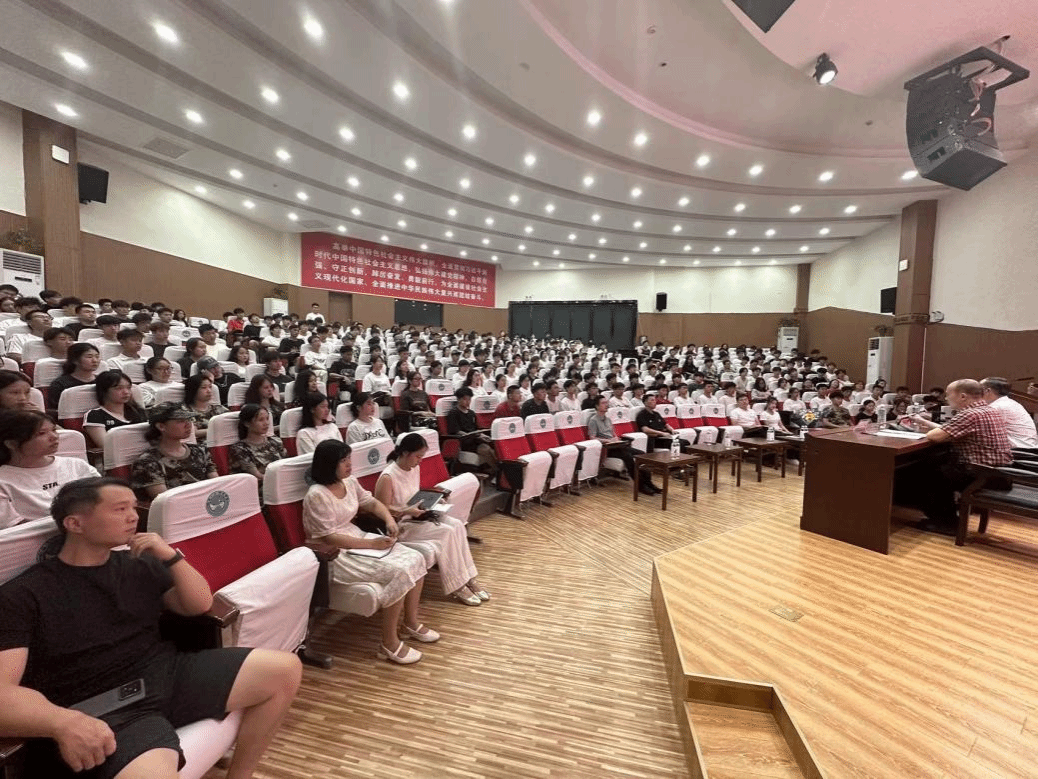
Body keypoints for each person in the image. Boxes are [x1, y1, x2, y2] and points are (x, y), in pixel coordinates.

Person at [0, 476, 301, 777]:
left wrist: (170, 556)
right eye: (120, 509)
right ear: (75, 523)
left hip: (165, 673)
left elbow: (198, 604)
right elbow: (3, 691)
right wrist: (61, 722)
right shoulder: (24, 593)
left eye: (134, 507)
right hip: (105, 705)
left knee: (283, 670)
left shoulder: (139, 563)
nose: (133, 516)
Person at [302, 440, 434, 664]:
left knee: (416, 558)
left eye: (349, 459)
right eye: (343, 461)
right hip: (333, 553)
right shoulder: (316, 495)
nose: (349, 465)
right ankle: (389, 643)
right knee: (400, 572)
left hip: (356, 537)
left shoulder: (349, 481)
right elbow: (329, 537)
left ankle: (410, 623)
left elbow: (372, 503)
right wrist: (372, 545)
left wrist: (389, 519)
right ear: (328, 464)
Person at [374, 433, 489, 606]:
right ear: (405, 453)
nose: (420, 461)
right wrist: (407, 510)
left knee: (457, 525)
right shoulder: (388, 477)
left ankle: (469, 579)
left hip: (418, 517)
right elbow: (382, 509)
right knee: (447, 532)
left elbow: (414, 494)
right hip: (402, 525)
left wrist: (432, 501)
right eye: (418, 456)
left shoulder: (414, 468)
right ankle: (458, 585)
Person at [899, 379, 1013, 535]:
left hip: (982, 475)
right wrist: (923, 421)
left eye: (948, 394)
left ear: (963, 396)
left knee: (922, 474)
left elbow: (935, 436)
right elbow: (950, 429)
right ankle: (945, 518)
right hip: (999, 473)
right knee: (933, 465)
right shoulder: (987, 410)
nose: (946, 398)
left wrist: (925, 428)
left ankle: (947, 524)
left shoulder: (970, 414)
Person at [0, 410, 99, 528]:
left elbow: (103, 501)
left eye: (54, 430)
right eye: (41, 433)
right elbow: (12, 530)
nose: (54, 437)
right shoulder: (3, 480)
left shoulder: (77, 465)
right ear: (12, 444)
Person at [131, 403, 218, 499]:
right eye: (181, 421)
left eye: (189, 419)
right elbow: (165, 500)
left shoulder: (200, 451)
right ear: (161, 426)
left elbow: (217, 485)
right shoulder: (148, 462)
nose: (188, 425)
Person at [586, 395, 651, 490]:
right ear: (597, 406)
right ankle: (640, 486)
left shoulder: (608, 419)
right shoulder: (593, 420)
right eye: (603, 403)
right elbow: (592, 438)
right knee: (628, 457)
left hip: (617, 445)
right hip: (607, 449)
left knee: (642, 454)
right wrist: (608, 441)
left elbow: (613, 433)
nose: (606, 405)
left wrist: (616, 439)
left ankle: (649, 483)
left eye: (607, 403)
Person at [83, 371, 147, 449]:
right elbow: (105, 446)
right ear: (104, 391)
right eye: (119, 388)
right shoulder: (95, 415)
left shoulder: (138, 411)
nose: (126, 392)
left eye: (128, 387)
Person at [228, 404, 287, 488]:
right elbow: (258, 476)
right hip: (259, 488)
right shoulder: (240, 449)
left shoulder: (275, 440)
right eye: (261, 420)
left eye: (267, 419)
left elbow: (286, 464)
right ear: (247, 424)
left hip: (281, 483)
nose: (266, 423)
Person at [446, 387, 497, 472]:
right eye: (465, 399)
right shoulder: (453, 413)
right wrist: (471, 435)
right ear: (458, 399)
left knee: (493, 446)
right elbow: (456, 431)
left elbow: (476, 429)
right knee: (485, 449)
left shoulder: (471, 413)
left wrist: (482, 435)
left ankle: (495, 470)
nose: (468, 402)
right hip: (464, 441)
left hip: (475, 439)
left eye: (469, 399)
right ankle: (498, 471)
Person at [980, 377, 1038, 449]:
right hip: (1028, 449)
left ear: (987, 391)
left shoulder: (997, 406)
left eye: (978, 390)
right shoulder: (1010, 403)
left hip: (1018, 451)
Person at [48, 343, 101, 411]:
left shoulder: (102, 381)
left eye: (97, 356)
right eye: (89, 357)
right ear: (75, 360)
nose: (95, 360)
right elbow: (55, 409)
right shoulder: (60, 384)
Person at [181, 373, 228, 440]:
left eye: (210, 387)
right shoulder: (184, 411)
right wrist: (218, 430)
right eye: (204, 388)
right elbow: (193, 433)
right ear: (193, 390)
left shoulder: (219, 409)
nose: (209, 391)